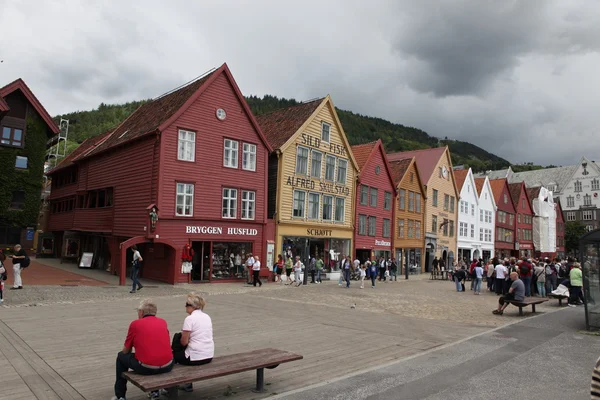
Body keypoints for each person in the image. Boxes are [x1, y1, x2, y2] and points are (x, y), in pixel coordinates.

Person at [113, 299, 173, 400]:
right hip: (168, 365)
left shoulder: (135, 324)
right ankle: (155, 392)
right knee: (156, 354)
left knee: (120, 357)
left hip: (146, 367)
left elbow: (126, 350)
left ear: (141, 312)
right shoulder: (163, 322)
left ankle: (120, 395)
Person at [172, 293, 214, 393]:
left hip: (195, 357)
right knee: (184, 351)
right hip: (208, 355)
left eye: (187, 304)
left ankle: (171, 387)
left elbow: (184, 341)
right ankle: (187, 384)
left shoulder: (189, 319)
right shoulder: (207, 316)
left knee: (173, 356)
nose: (185, 306)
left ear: (193, 306)